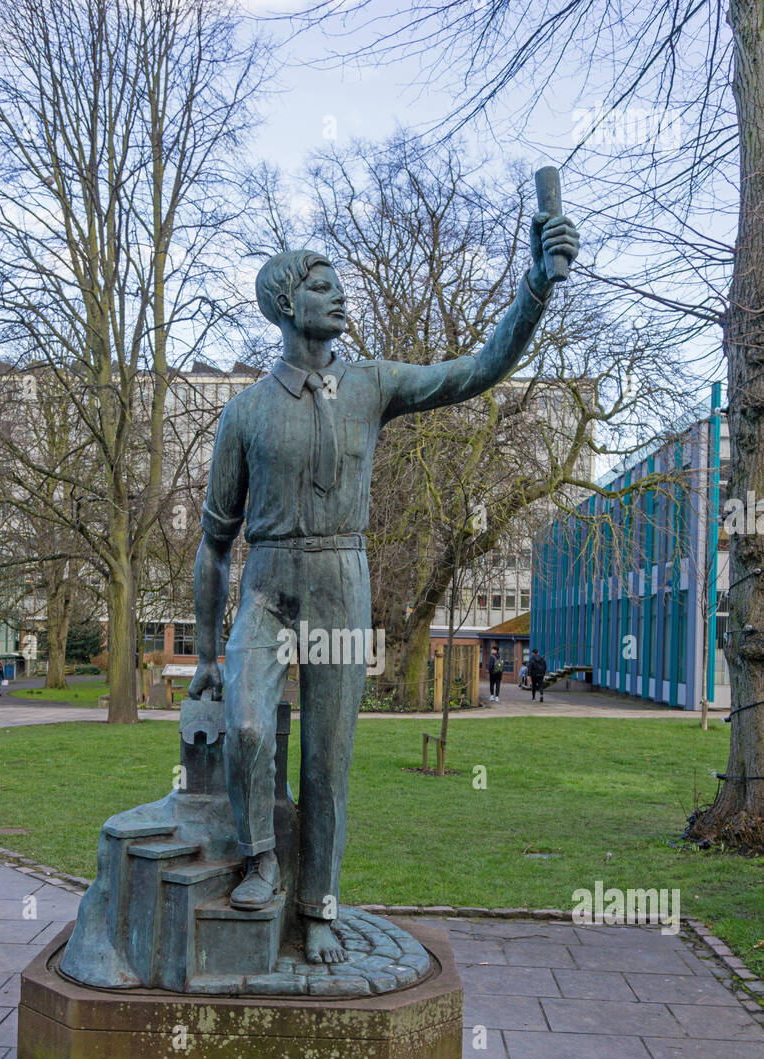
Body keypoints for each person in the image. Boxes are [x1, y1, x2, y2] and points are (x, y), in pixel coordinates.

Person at [189, 211, 579, 963]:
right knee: (244, 724)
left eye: (342, 290)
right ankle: (262, 858)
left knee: (328, 759)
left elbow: (475, 370)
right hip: (267, 583)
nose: (342, 300)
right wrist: (206, 653)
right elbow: (214, 543)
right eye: (326, 289)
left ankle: (320, 905)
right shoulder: (242, 413)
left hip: (341, 578)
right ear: (285, 304)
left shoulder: (370, 384)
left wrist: (534, 287)